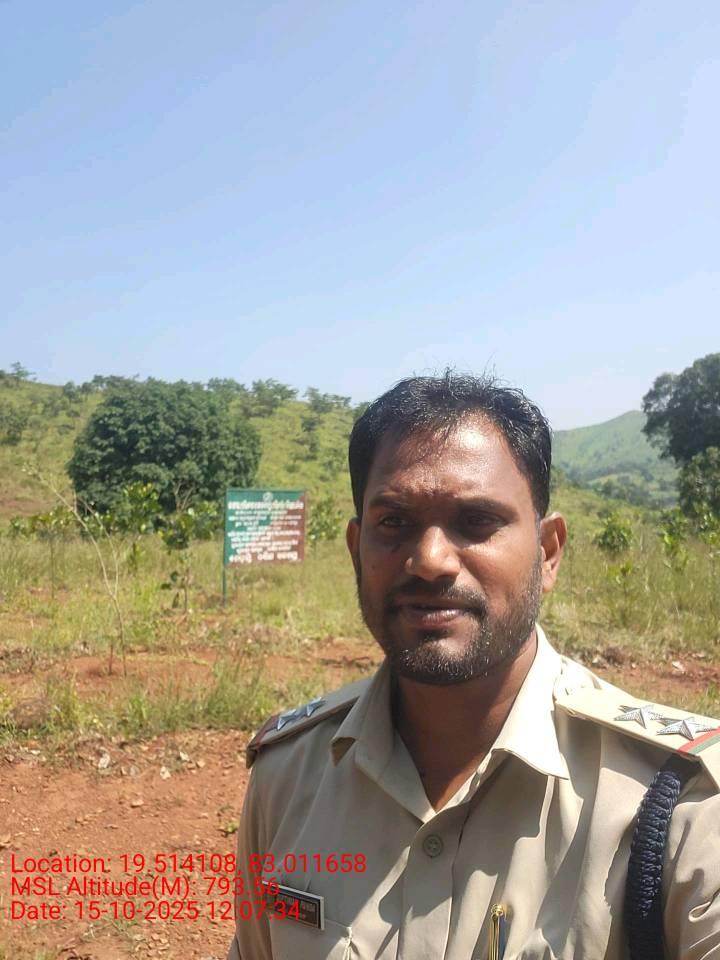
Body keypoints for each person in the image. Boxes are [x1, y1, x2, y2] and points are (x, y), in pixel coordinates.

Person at [226, 373, 720, 960]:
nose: (430, 559)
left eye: (477, 521)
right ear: (357, 550)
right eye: (394, 523)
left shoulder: (684, 804)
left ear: (548, 553)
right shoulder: (287, 778)